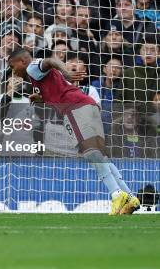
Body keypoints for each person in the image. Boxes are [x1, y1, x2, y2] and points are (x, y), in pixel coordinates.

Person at [8, 48, 140, 215]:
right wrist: (41, 98)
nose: (14, 72)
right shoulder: (37, 79)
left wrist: (67, 74)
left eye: (13, 67)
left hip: (75, 108)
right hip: (87, 104)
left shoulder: (32, 67)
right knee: (99, 154)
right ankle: (129, 196)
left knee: (90, 152)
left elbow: (51, 61)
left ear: (22, 61)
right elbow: (57, 91)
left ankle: (116, 195)